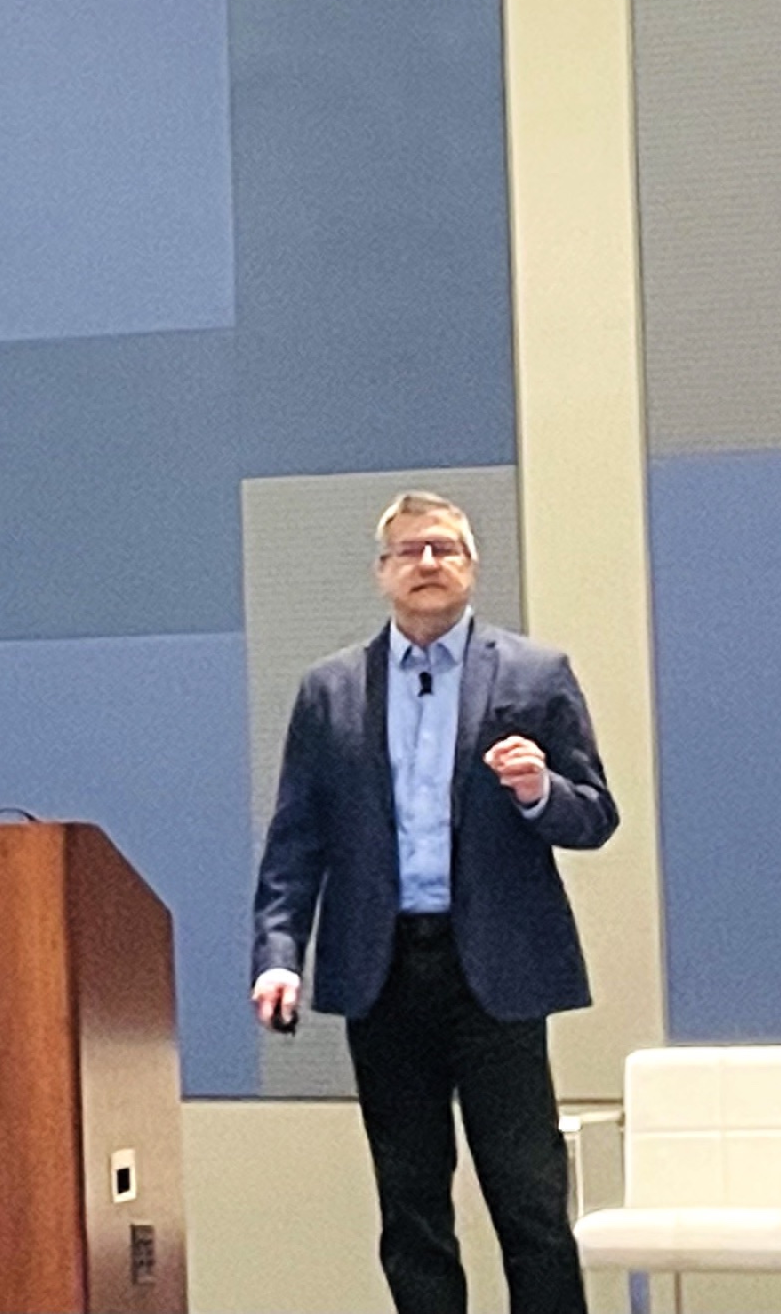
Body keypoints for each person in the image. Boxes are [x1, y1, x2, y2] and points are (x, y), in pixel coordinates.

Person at [251, 492, 618, 1314]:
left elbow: (595, 813)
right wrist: (278, 956)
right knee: (411, 1208)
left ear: (472, 568)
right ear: (382, 572)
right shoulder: (331, 691)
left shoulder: (534, 673)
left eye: (446, 548)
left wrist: (538, 791)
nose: (428, 563)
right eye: (410, 550)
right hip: (383, 973)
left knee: (530, 1203)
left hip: (497, 970)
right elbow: (295, 843)